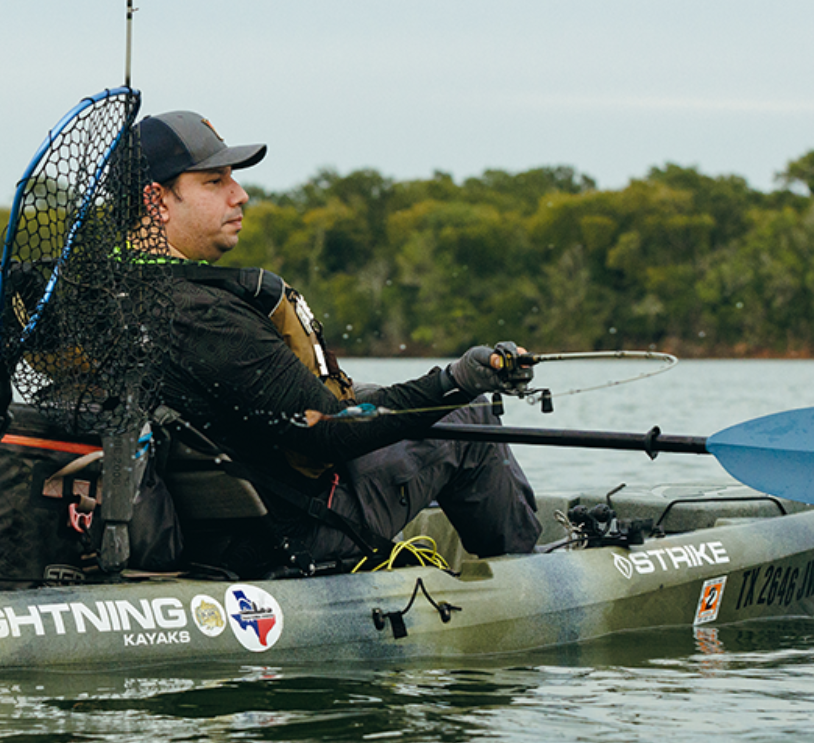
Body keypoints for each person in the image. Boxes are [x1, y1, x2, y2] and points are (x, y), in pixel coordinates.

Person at [127, 109, 542, 575]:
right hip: (299, 533)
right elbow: (329, 433)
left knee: (384, 400)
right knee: (474, 417)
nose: (239, 194)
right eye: (214, 181)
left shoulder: (115, 302)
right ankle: (530, 585)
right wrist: (457, 380)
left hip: (205, 531)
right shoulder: (206, 317)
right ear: (156, 199)